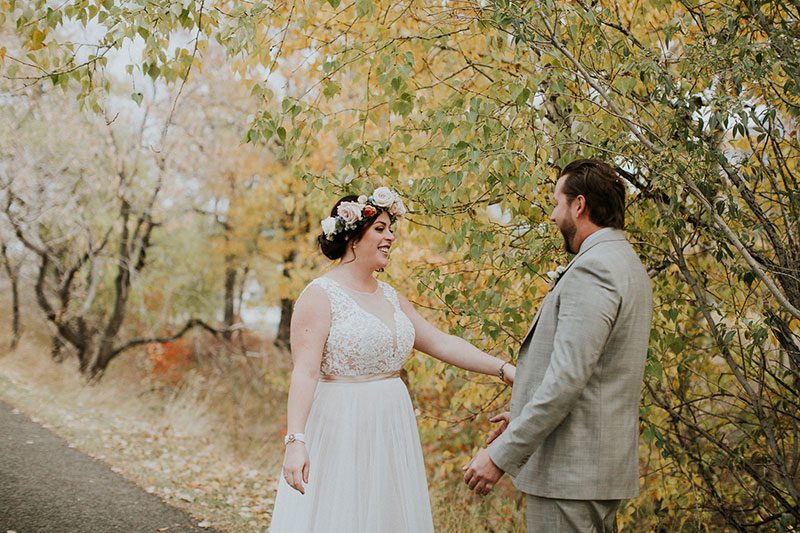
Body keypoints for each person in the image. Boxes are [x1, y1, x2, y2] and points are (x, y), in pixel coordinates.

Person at [269, 187, 516, 532]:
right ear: (354, 236)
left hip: (391, 424)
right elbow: (304, 374)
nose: (391, 237)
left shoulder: (390, 296)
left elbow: (441, 342)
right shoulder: (320, 295)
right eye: (380, 229)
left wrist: (503, 369)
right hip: (343, 426)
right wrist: (295, 442)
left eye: (391, 229)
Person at [462, 159, 653, 532]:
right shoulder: (627, 263)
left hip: (572, 473)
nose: (552, 216)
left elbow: (566, 381)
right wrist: (521, 411)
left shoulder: (593, 269)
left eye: (556, 203)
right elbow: (594, 372)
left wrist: (500, 456)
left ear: (578, 205)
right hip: (595, 470)